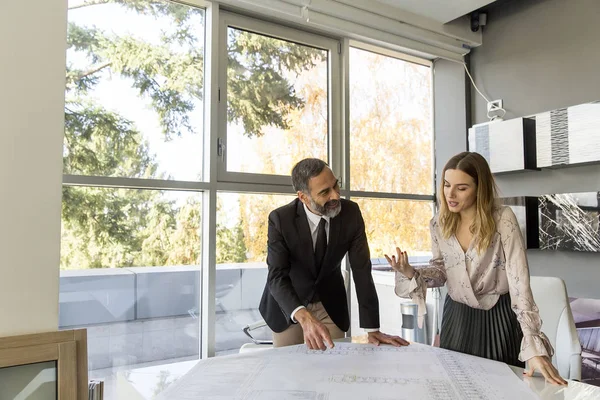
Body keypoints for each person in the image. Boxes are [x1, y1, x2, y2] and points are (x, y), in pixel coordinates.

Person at [386, 151, 567, 385]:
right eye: (447, 184)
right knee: (455, 386)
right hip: (456, 318)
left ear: (479, 189)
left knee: (500, 387)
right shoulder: (439, 223)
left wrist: (533, 345)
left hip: (498, 317)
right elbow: (442, 270)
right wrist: (412, 273)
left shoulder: (503, 218)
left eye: (461, 188)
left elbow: (519, 281)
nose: (450, 194)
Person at [259, 158, 408, 350]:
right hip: (289, 305)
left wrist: (372, 328)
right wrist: (303, 317)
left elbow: (362, 270)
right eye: (325, 192)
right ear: (303, 197)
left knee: (334, 369)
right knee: (290, 370)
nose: (336, 196)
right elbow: (277, 276)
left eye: (335, 186)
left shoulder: (351, 213)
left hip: (330, 303)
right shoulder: (280, 219)